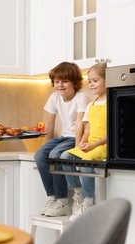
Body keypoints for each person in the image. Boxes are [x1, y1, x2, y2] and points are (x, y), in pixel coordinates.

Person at [34, 62, 88, 217]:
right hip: (63, 137)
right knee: (39, 155)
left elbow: (80, 123)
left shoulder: (81, 96)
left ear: (75, 82)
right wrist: (46, 147)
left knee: (55, 155)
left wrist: (78, 147)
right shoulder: (54, 97)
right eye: (57, 82)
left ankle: (63, 201)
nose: (60, 85)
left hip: (75, 137)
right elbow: (49, 124)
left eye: (64, 81)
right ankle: (53, 198)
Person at [61, 62, 107, 221]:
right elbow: (87, 129)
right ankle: (79, 194)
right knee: (65, 157)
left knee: (86, 160)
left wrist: (93, 145)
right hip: (90, 144)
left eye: (95, 80)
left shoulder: (111, 103)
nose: (91, 84)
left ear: (107, 80)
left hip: (103, 146)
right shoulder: (91, 105)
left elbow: (111, 134)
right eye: (90, 81)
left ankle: (89, 201)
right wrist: (81, 142)